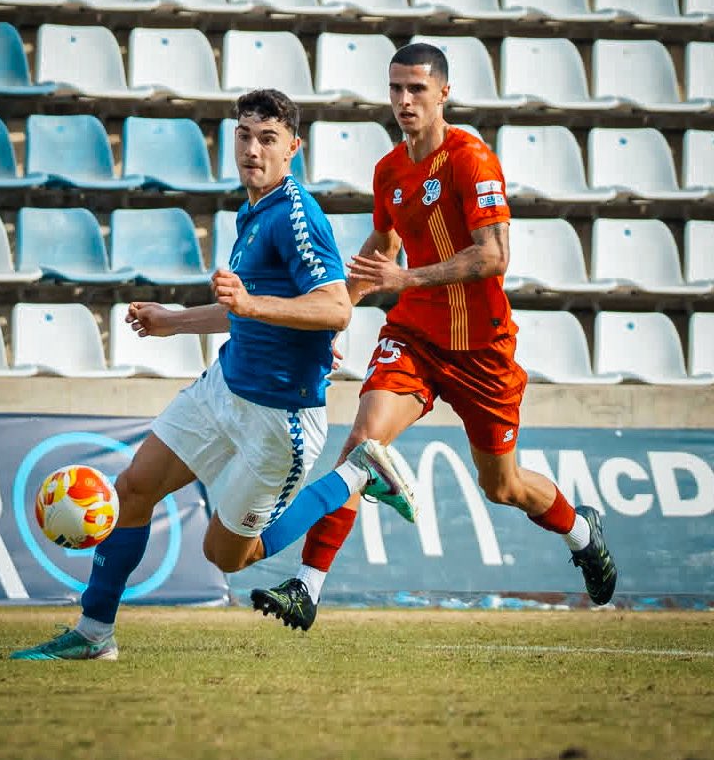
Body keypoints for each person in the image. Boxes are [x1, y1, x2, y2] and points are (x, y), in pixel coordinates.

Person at [10, 89, 415, 661]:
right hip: (223, 388)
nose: (253, 149)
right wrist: (173, 322)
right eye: (245, 136)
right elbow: (248, 305)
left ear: (293, 148)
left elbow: (336, 308)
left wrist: (250, 307)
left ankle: (354, 475)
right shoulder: (251, 209)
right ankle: (94, 632)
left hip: (281, 420)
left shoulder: (296, 215)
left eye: (268, 139)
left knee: (226, 556)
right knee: (133, 489)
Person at [250, 43, 618, 632]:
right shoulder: (389, 170)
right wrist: (338, 304)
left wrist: (407, 278)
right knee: (362, 446)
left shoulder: (471, 158)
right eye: (395, 88)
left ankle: (581, 531)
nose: (403, 100)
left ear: (443, 93)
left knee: (503, 486)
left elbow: (494, 255)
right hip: (416, 337)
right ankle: (307, 586)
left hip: (483, 350)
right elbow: (382, 252)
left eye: (416, 89)